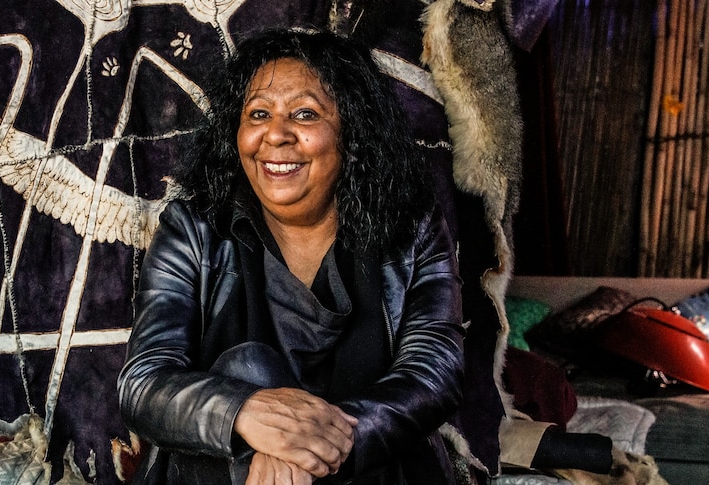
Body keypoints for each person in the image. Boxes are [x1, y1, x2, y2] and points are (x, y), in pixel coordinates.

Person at [118, 28, 465, 485]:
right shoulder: (192, 228)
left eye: (304, 114)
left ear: (351, 130)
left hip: (364, 470)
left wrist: (313, 444)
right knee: (247, 372)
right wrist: (246, 413)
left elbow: (433, 372)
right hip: (215, 474)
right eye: (258, 114)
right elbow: (144, 383)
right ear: (235, 130)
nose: (276, 135)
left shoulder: (411, 226)